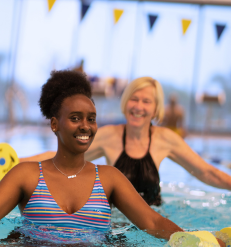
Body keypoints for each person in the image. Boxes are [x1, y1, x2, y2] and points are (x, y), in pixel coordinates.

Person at [0, 70, 185, 243]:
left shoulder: (110, 178)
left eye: (91, 119)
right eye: (75, 118)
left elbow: (154, 222)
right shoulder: (26, 175)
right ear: (54, 124)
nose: (85, 126)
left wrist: (196, 239)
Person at [20, 76, 231, 207]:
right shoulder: (109, 136)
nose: (138, 106)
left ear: (155, 108)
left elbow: (206, 172)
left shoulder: (165, 139)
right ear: (125, 102)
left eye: (146, 101)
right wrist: (18, 162)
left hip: (151, 218)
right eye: (134, 99)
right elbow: (61, 157)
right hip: (115, 222)